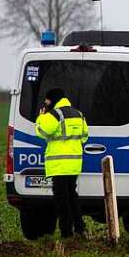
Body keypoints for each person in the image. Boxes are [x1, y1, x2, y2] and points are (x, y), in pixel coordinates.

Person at [35, 87, 89, 239]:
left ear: (53, 100)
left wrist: (41, 117)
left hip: (59, 164)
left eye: (47, 103)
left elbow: (42, 131)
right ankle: (80, 228)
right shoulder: (78, 114)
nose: (46, 105)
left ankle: (67, 232)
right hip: (74, 164)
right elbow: (85, 136)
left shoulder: (54, 115)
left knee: (61, 200)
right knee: (72, 196)